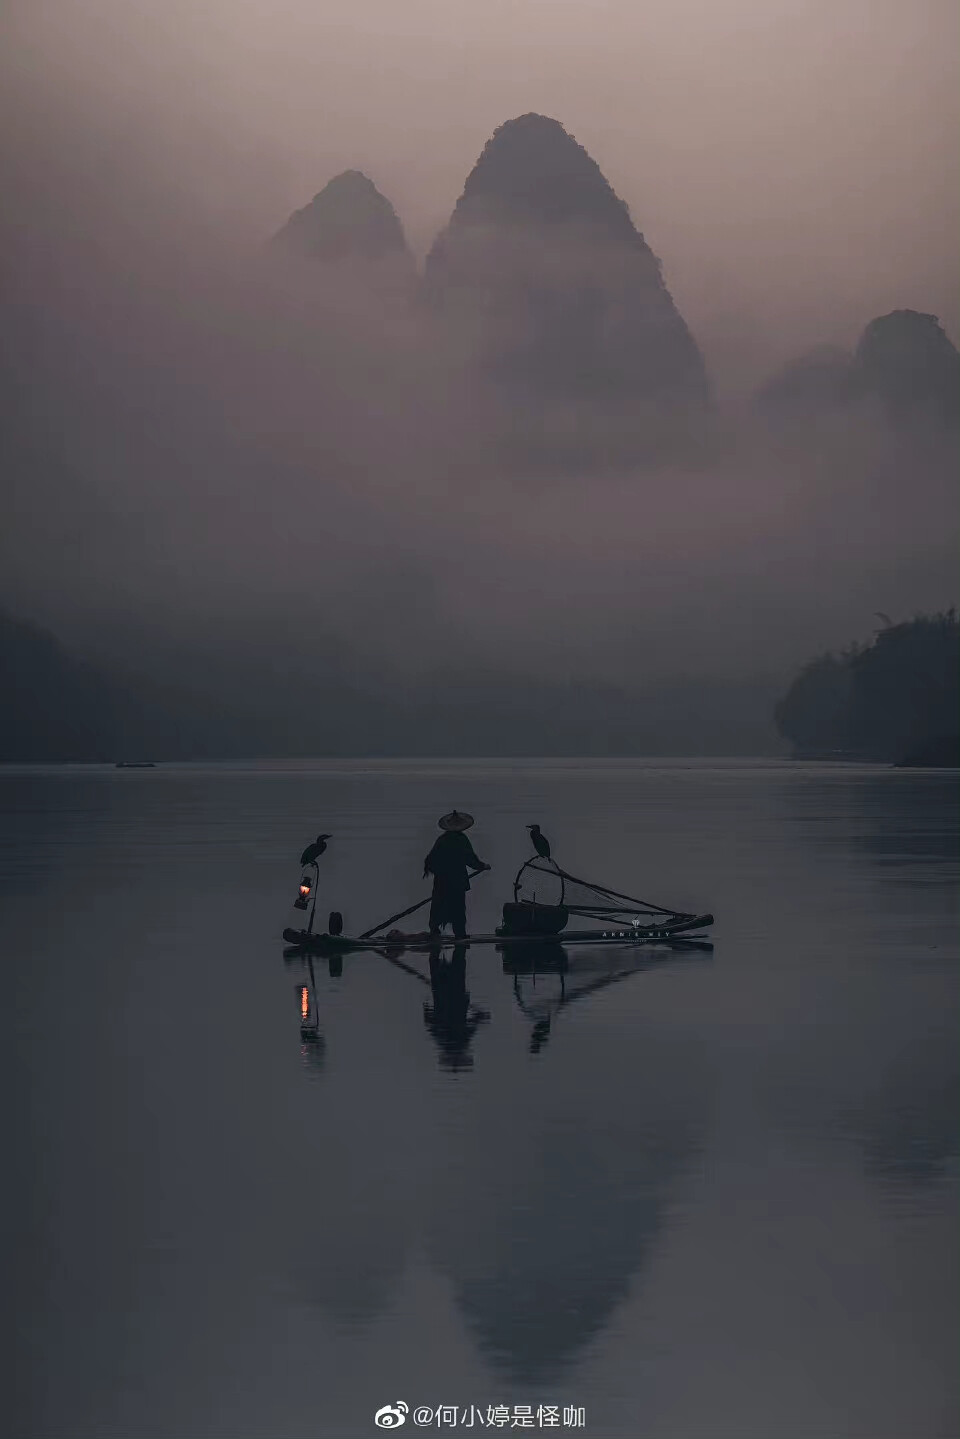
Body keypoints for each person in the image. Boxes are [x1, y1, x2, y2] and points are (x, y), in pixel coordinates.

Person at [423, 810, 490, 940]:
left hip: (442, 881)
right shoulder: (461, 839)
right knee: (457, 908)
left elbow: (430, 861)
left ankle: (434, 930)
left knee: (438, 905)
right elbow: (470, 859)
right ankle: (459, 934)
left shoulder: (442, 840)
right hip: (457, 881)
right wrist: (483, 866)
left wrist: (440, 872)